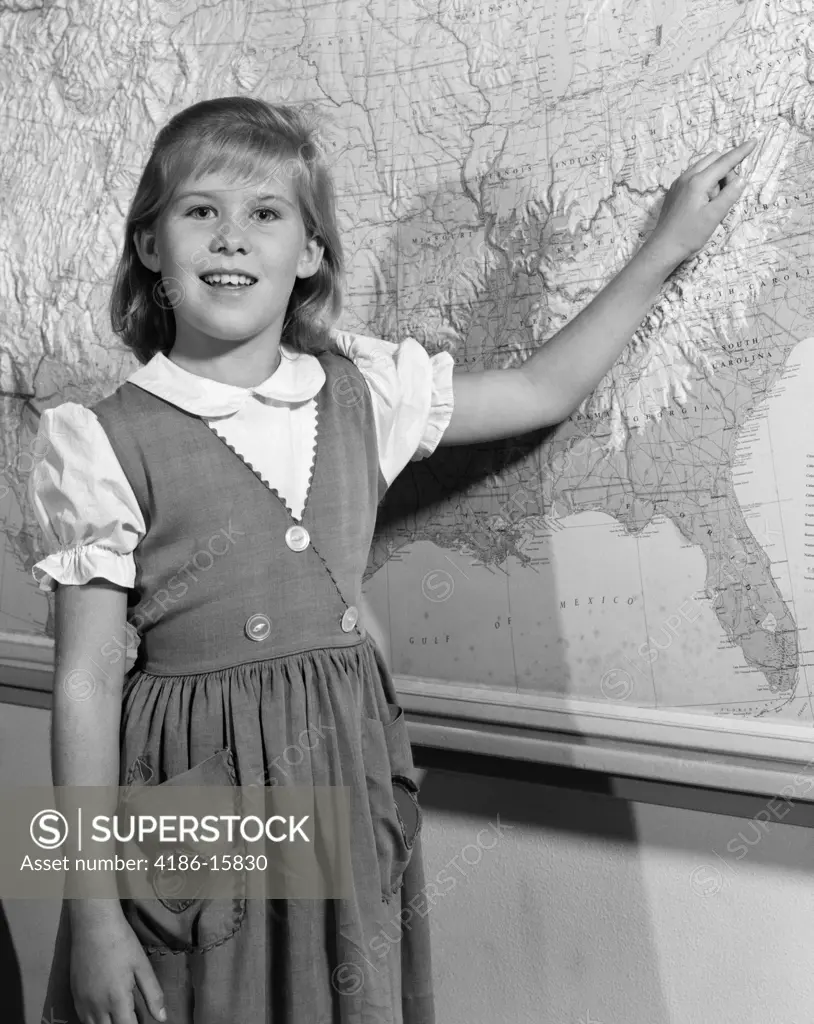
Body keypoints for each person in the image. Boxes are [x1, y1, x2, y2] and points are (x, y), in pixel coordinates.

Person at [28, 94, 756, 1024]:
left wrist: (664, 249)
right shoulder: (99, 439)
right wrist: (93, 917)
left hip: (343, 771)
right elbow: (86, 681)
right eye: (198, 210)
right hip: (193, 799)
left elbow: (542, 388)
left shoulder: (359, 391)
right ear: (148, 246)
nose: (231, 238)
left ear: (312, 254)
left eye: (266, 214)